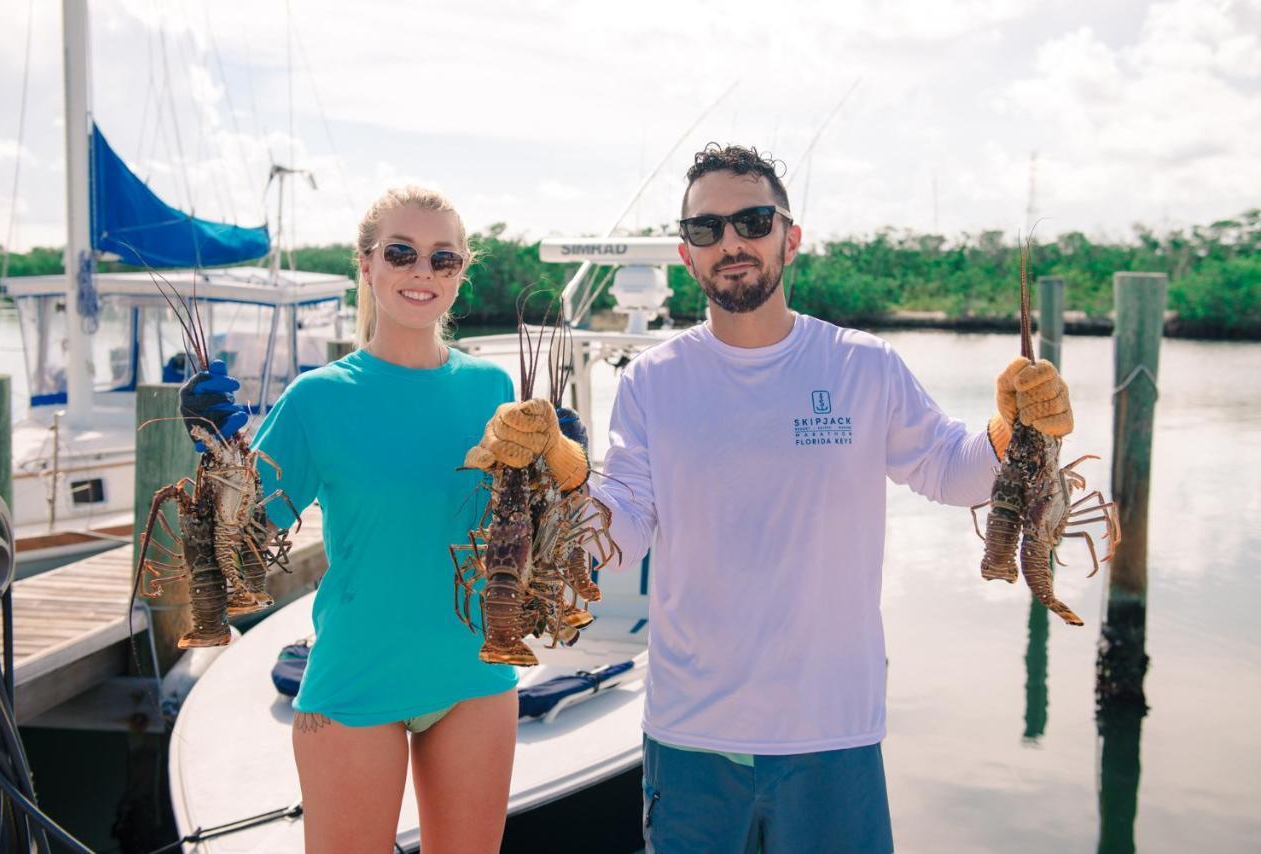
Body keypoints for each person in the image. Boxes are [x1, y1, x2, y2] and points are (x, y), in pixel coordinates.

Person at [473, 144, 1073, 852]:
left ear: (790, 237)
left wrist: (1014, 425)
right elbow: (621, 535)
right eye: (707, 229)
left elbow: (951, 470)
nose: (731, 242)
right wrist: (565, 471)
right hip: (691, 733)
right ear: (686, 252)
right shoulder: (652, 382)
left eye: (753, 221)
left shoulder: (863, 364)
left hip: (832, 727)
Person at [180, 186, 519, 853]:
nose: (422, 272)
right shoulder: (317, 400)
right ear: (366, 265)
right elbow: (237, 546)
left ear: (460, 271)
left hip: (476, 676)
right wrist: (212, 452)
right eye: (401, 253)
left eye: (442, 259)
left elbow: (527, 529)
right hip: (357, 679)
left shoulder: (495, 389)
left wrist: (564, 464)